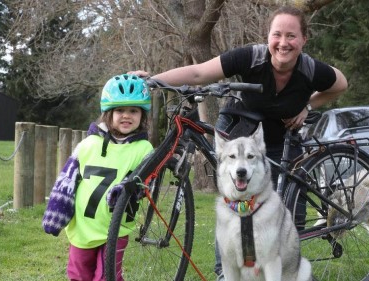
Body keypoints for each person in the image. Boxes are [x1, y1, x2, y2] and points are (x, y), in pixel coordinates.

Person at [130, 6, 348, 280]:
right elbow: (199, 73)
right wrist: (153, 80)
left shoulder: (310, 68)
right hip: (239, 132)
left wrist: (307, 103)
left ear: (304, 39)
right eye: (277, 34)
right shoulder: (251, 57)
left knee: (291, 213)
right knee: (233, 202)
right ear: (268, 36)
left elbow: (340, 84)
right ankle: (226, 273)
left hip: (283, 138)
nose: (283, 42)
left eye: (291, 36)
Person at [42, 74, 154, 281]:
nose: (126, 116)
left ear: (142, 115)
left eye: (133, 111)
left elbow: (147, 181)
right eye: (120, 110)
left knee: (107, 276)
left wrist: (128, 190)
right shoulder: (88, 144)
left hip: (116, 225)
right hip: (82, 225)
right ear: (108, 113)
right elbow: (67, 178)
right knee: (78, 274)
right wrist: (57, 209)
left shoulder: (144, 149)